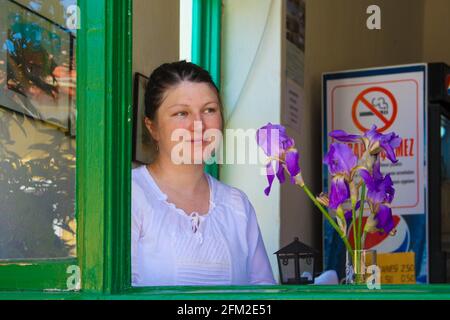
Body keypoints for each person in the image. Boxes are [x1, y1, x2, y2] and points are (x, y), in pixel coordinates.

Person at [131, 60, 275, 286]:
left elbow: (263, 294)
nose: (198, 125)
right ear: (152, 127)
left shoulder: (237, 205)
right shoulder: (131, 196)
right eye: (181, 113)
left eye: (209, 110)